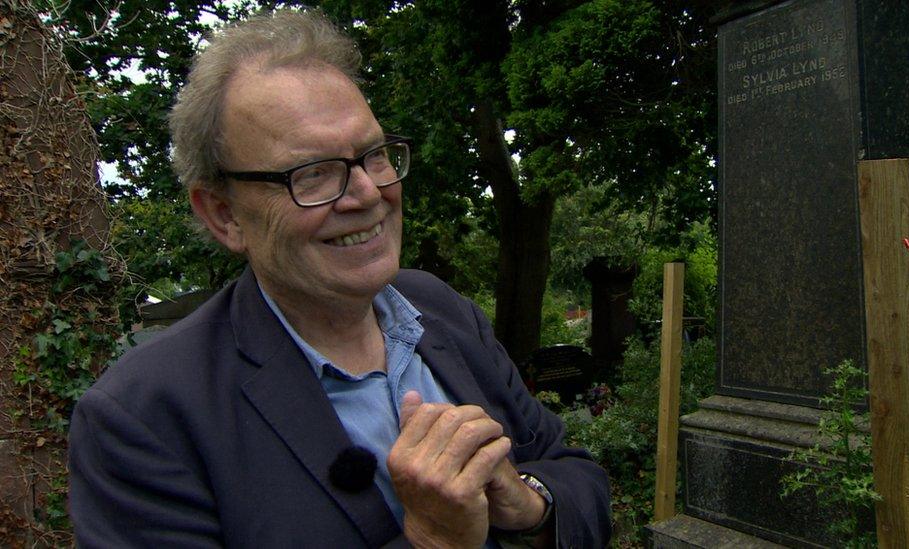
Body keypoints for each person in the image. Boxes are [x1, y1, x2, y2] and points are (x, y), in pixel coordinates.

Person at [68, 8, 611, 548]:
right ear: (224, 215)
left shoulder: (439, 308)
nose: (370, 193)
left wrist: (528, 504)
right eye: (313, 172)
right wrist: (431, 540)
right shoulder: (144, 416)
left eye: (373, 155)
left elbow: (573, 471)